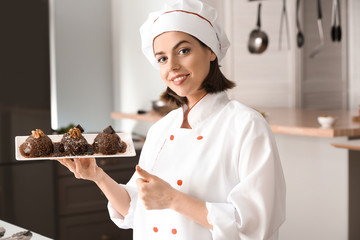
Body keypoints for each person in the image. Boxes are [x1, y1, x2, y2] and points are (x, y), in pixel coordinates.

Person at [57, 0, 286, 239]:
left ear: (211, 51)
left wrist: (174, 199)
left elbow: (256, 224)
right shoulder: (161, 129)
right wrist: (98, 177)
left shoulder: (246, 126)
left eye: (183, 51)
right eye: (162, 58)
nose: (173, 66)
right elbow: (136, 210)